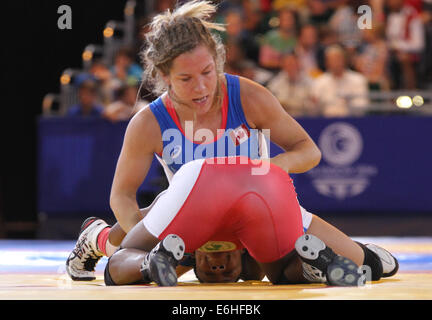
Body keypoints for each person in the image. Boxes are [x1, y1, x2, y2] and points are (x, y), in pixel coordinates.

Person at [65, 0, 396, 284]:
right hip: (193, 222)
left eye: (207, 72)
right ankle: (99, 238)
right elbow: (121, 195)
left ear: (218, 61)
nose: (201, 88)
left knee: (372, 268)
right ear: (164, 77)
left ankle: (318, 263)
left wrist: (264, 172)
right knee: (138, 258)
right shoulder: (149, 121)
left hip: (259, 207)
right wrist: (149, 234)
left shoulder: (248, 96)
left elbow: (308, 150)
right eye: (185, 79)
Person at [102, 157, 366, 287]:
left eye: (210, 268)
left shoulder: (181, 247)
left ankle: (132, 257)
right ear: (242, 252)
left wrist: (109, 240)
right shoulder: (251, 266)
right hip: (264, 183)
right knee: (284, 275)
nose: (218, 266)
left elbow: (124, 235)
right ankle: (313, 268)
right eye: (223, 269)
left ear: (193, 255)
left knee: (121, 256)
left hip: (205, 183)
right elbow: (308, 151)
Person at [310, 44, 370, 117]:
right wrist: (316, 104)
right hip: (325, 121)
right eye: (331, 60)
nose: (335, 63)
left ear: (344, 60)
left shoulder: (358, 80)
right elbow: (313, 110)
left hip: (352, 120)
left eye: (337, 59)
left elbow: (362, 104)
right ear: (327, 62)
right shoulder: (319, 82)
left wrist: (347, 105)